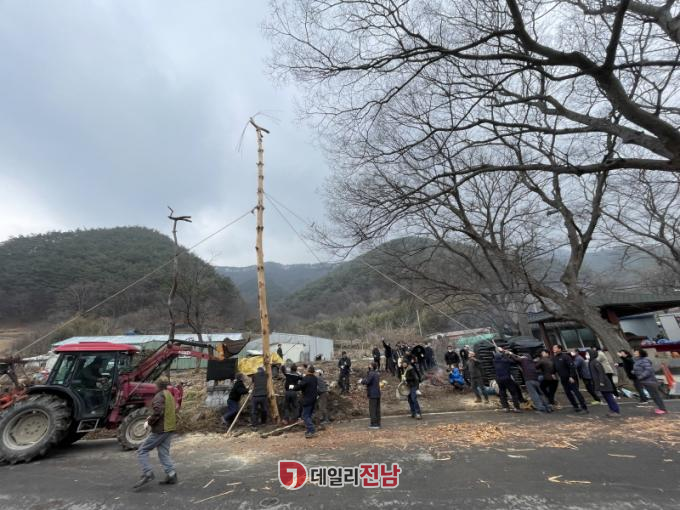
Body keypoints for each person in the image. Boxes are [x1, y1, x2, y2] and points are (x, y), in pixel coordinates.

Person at [133, 381, 177, 488]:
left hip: (161, 429)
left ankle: (148, 472)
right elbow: (166, 410)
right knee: (163, 452)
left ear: (159, 387)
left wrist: (149, 422)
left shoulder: (159, 396)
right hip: (170, 427)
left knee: (142, 450)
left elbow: (158, 412)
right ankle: (171, 475)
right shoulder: (169, 394)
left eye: (155, 386)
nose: (154, 387)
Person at [553, 345, 588, 413]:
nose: (553, 349)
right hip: (563, 378)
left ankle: (584, 408)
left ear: (559, 349)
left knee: (576, 392)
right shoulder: (555, 358)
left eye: (555, 348)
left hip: (570, 378)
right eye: (553, 348)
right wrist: (553, 373)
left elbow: (572, 366)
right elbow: (555, 367)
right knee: (568, 393)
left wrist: (571, 376)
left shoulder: (566, 356)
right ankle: (575, 407)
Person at [633, 349, 667, 415]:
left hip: (650, 381)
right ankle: (661, 408)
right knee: (654, 396)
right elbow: (640, 369)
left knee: (655, 396)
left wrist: (641, 376)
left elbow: (649, 370)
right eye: (635, 352)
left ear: (640, 353)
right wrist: (634, 371)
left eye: (636, 352)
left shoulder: (644, 360)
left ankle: (663, 409)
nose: (634, 353)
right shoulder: (638, 360)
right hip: (646, 381)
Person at [588, 349, 620, 417]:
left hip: (603, 383)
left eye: (588, 354)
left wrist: (602, 381)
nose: (586, 355)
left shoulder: (595, 362)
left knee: (609, 397)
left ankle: (616, 410)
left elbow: (601, 372)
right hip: (600, 383)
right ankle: (612, 409)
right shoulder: (592, 362)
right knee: (606, 397)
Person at [298, 365, 319, 438]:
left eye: (306, 369)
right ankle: (309, 430)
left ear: (308, 371)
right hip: (313, 399)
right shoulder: (315, 378)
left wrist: (293, 386)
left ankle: (312, 431)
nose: (305, 370)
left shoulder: (306, 378)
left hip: (307, 399)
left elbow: (300, 386)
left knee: (305, 416)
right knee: (308, 415)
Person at [361, 362, 381, 429]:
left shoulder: (371, 373)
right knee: (377, 409)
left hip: (372, 393)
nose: (368, 366)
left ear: (372, 366)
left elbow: (367, 381)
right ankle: (378, 423)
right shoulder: (377, 373)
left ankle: (374, 424)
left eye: (369, 365)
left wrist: (361, 381)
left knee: (372, 409)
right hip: (377, 393)